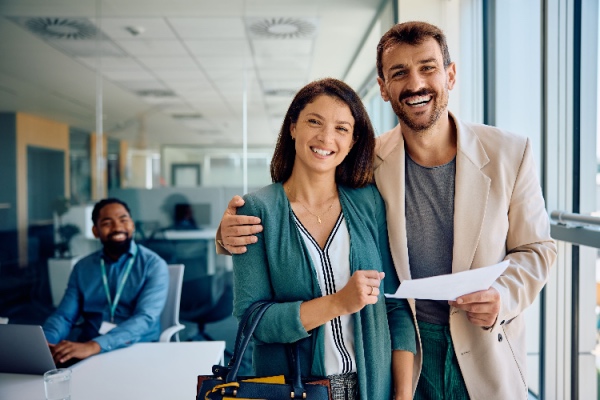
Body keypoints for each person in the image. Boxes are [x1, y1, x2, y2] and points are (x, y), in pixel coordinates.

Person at [217, 21, 557, 399]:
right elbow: (304, 196)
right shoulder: (368, 164)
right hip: (408, 351)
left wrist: (502, 298)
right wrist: (226, 235)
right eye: (399, 73)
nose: (415, 84)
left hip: (485, 345)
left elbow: (538, 249)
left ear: (451, 74)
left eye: (427, 67)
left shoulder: (510, 153)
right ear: (383, 87)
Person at [231, 78, 416, 400]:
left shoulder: (369, 203)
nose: (326, 138)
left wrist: (401, 395)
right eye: (314, 122)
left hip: (373, 388)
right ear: (293, 127)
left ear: (354, 139)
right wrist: (337, 303)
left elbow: (396, 305)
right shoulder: (257, 210)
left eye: (342, 128)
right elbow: (252, 321)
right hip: (295, 389)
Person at [43, 198, 169, 365]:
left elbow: (145, 318)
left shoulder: (153, 265)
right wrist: (46, 340)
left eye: (123, 220)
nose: (117, 228)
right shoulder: (83, 267)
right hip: (88, 350)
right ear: (96, 231)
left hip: (137, 347)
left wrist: (95, 345)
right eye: (107, 223)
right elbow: (65, 316)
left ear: (132, 225)